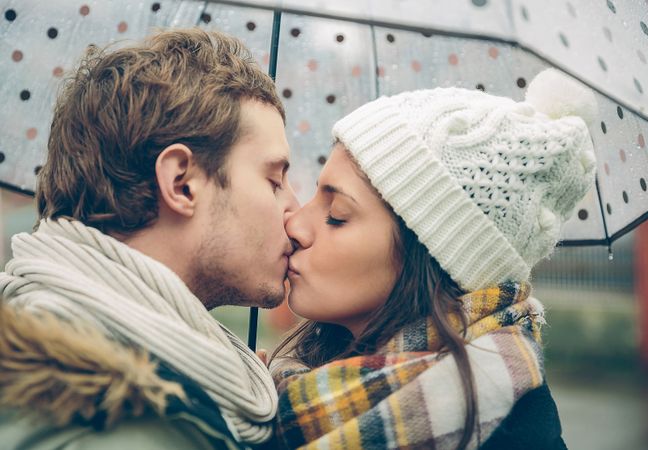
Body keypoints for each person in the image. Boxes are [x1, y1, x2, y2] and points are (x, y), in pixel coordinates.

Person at [0, 29, 299, 449]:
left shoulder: (183, 389)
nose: (295, 212)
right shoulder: (92, 422)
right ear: (182, 183)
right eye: (274, 180)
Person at [270, 69, 598, 449]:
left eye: (337, 214)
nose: (295, 224)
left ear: (433, 255)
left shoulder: (514, 438)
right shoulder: (290, 390)